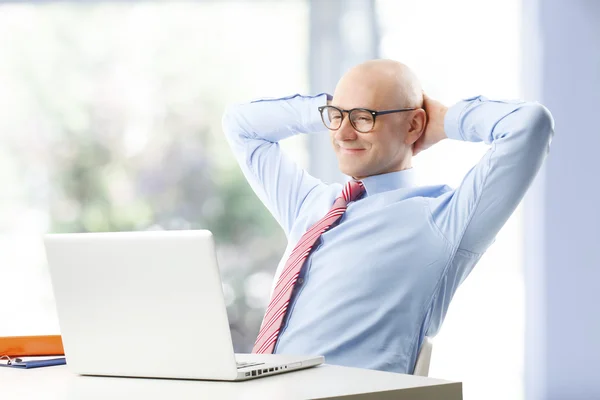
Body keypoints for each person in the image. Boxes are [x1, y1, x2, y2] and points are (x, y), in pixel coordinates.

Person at [221, 59, 554, 374]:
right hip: (264, 388)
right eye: (337, 117)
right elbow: (241, 125)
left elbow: (528, 126)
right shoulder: (310, 204)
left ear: (413, 124)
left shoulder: (444, 220)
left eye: (364, 117)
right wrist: (329, 109)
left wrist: (444, 121)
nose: (342, 134)